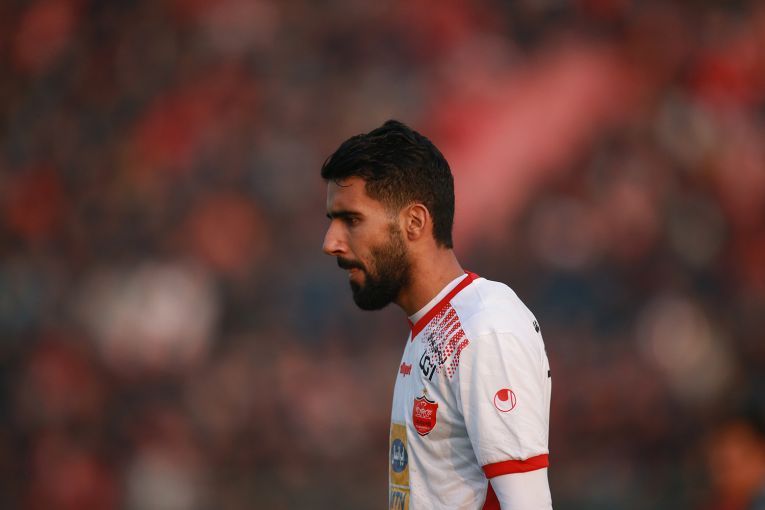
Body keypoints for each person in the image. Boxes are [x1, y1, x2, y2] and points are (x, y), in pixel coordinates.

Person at [321, 120, 552, 509]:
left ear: (414, 222)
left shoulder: (484, 329)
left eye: (352, 220)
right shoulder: (432, 328)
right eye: (333, 221)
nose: (331, 243)